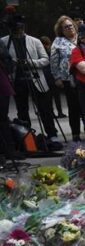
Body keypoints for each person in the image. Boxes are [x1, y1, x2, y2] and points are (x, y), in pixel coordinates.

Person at [0, 15, 61, 147]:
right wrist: (12, 63)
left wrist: (29, 62)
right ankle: (27, 138)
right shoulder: (4, 41)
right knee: (22, 111)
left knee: (45, 109)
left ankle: (52, 134)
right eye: (16, 28)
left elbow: (45, 59)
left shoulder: (34, 41)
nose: (19, 30)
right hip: (17, 80)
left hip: (36, 79)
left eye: (21, 27)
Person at [51, 16, 81, 141]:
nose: (69, 28)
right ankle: (75, 134)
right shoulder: (58, 41)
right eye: (66, 27)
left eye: (70, 25)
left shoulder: (81, 38)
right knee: (73, 107)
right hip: (68, 79)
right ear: (61, 30)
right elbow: (53, 61)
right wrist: (57, 77)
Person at [40, 36, 65, 119]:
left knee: (52, 96)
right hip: (51, 76)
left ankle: (54, 112)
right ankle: (57, 112)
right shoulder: (51, 51)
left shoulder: (43, 52)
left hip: (49, 76)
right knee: (54, 96)